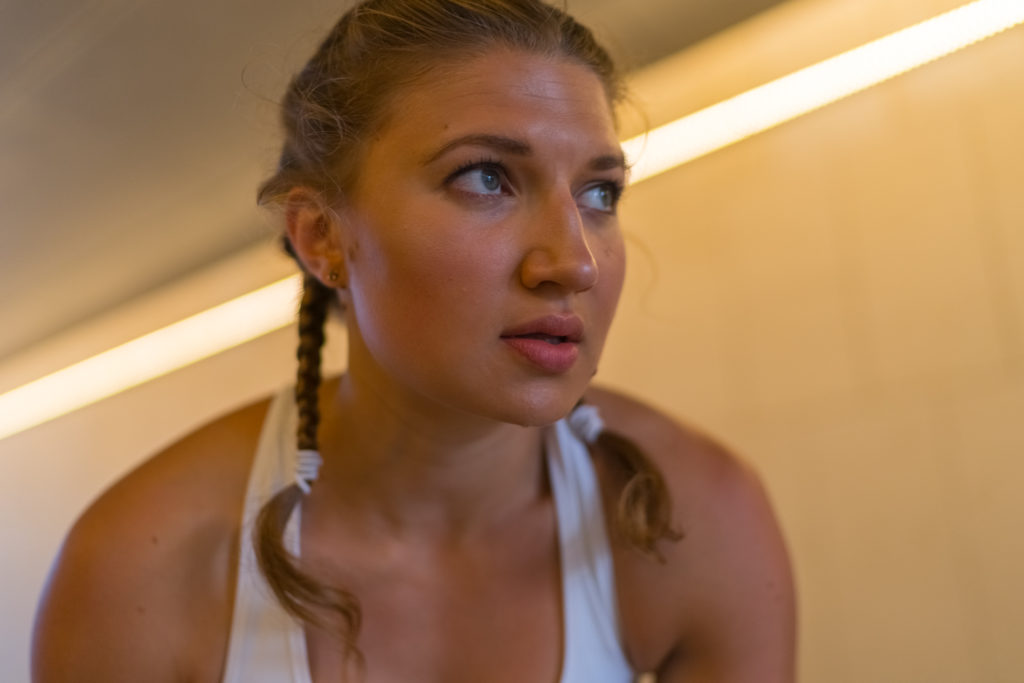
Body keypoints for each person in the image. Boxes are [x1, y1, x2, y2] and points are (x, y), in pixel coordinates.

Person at [31, 1, 795, 681]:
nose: (572, 262)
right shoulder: (141, 568)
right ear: (322, 236)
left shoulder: (693, 519)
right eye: (486, 177)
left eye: (599, 193)